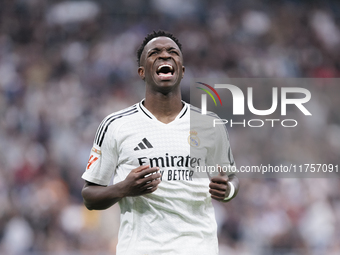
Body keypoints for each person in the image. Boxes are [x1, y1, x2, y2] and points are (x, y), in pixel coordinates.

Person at [81, 30, 239, 255]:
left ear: (182, 71)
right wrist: (123, 188)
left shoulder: (210, 124)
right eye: (155, 52)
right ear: (142, 72)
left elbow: (232, 179)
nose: (165, 55)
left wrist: (228, 189)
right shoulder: (115, 125)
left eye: (172, 52)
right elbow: (89, 197)